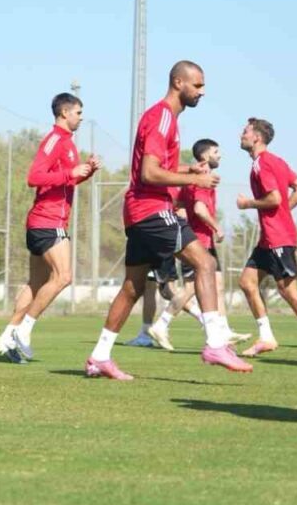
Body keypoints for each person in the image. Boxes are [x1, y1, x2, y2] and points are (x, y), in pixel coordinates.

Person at [85, 61, 252, 380]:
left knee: (133, 287)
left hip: (139, 211)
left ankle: (99, 357)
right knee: (205, 263)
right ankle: (216, 343)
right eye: (197, 85)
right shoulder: (162, 117)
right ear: (178, 83)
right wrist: (195, 180)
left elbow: (158, 168)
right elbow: (149, 173)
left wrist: (189, 169)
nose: (202, 91)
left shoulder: (167, 119)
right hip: (152, 209)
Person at [0, 92, 99, 361]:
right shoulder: (55, 139)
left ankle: (7, 335)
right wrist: (70, 172)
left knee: (36, 284)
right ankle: (24, 330)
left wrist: (86, 171)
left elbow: (65, 181)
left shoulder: (68, 143)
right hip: (47, 221)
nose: (81, 117)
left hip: (44, 222)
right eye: (78, 112)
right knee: (64, 277)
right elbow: (33, 176)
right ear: (64, 112)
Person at [235, 117, 297, 365]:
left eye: (245, 131)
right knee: (247, 282)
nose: (241, 135)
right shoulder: (276, 161)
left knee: (287, 289)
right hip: (268, 238)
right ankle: (266, 337)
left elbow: (274, 198)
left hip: (278, 237)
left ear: (257, 137)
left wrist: (248, 204)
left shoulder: (263, 163)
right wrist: (285, 213)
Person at [147, 139, 224, 352]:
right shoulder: (202, 177)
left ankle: (221, 330)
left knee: (214, 284)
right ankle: (161, 324)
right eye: (216, 151)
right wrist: (217, 226)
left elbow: (179, 203)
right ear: (205, 156)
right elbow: (199, 208)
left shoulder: (192, 178)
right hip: (198, 239)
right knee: (190, 287)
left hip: (195, 237)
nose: (220, 155)